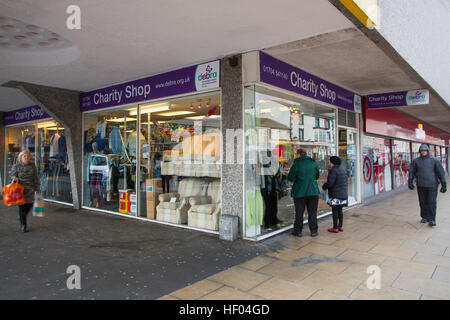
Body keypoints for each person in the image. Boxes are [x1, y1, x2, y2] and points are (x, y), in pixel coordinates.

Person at [408, 143, 446, 227]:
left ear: (428, 151)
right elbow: (411, 172)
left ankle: (432, 219)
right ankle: (424, 216)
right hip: (421, 185)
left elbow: (441, 173)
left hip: (432, 185)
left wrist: (444, 184)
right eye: (422, 151)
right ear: (420, 152)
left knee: (431, 202)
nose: (423, 152)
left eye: (425, 151)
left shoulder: (434, 160)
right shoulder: (416, 161)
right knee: (422, 202)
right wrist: (410, 182)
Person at [288, 148, 320, 237]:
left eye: (296, 154)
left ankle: (298, 231)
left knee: (299, 212)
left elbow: (290, 177)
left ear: (299, 154)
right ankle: (314, 231)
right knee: (312, 212)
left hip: (300, 192)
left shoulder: (296, 164)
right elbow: (317, 176)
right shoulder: (313, 163)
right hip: (313, 191)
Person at [9, 149, 41, 233]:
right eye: (24, 156)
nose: (26, 157)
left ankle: (21, 217)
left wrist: (37, 188)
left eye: (28, 156)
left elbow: (35, 178)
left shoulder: (32, 166)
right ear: (21, 157)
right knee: (22, 208)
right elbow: (12, 175)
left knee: (29, 205)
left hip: (30, 189)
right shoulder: (17, 166)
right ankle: (24, 225)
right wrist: (15, 178)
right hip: (20, 189)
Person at [322, 156, 348, 233]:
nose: (329, 164)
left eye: (330, 162)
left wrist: (324, 186)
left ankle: (335, 228)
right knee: (340, 210)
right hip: (343, 194)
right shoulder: (342, 169)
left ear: (333, 162)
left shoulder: (333, 170)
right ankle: (340, 226)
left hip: (335, 195)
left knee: (335, 210)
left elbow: (330, 183)